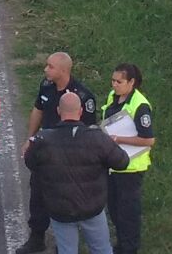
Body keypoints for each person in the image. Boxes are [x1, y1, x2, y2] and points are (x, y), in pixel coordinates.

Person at [24, 92, 129, 254]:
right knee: (102, 249)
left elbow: (30, 163)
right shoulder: (97, 139)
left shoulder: (43, 140)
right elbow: (122, 162)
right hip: (92, 207)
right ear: (80, 111)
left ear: (59, 111)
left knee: (67, 250)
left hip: (61, 209)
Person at [16, 51, 98, 254]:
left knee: (66, 198)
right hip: (45, 152)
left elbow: (88, 132)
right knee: (38, 194)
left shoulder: (83, 97)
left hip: (69, 158)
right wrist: (30, 137)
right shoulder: (46, 86)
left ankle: (66, 245)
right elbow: (38, 110)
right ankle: (37, 238)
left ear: (63, 70)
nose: (45, 69)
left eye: (50, 66)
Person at [101, 63, 156, 254]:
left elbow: (148, 139)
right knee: (114, 210)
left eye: (119, 81)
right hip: (113, 165)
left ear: (131, 82)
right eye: (113, 80)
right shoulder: (112, 97)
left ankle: (129, 248)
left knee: (128, 214)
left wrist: (118, 139)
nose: (114, 85)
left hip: (131, 169)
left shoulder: (140, 106)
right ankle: (121, 245)